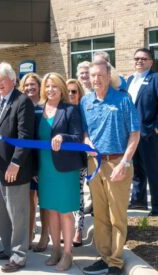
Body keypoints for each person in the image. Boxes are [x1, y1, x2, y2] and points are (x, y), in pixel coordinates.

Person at [80, 60, 140, 275]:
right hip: (94, 164)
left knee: (117, 216)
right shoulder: (86, 102)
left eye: (100, 75)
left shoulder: (123, 99)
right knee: (100, 216)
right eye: (92, 75)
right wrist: (86, 141)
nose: (96, 79)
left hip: (117, 163)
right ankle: (104, 257)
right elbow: (85, 131)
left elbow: (135, 134)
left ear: (109, 76)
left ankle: (115, 262)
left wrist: (124, 162)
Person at [0, 62, 35, 273]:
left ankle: (19, 256)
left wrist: (16, 163)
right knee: (2, 212)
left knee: (18, 214)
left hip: (15, 168)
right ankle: (8, 249)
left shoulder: (22, 101)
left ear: (13, 80)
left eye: (2, 80)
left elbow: (25, 137)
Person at [36, 73, 84, 271]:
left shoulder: (70, 109)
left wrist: (62, 137)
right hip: (45, 168)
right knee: (51, 210)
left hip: (64, 169)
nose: (50, 90)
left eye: (54, 86)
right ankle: (55, 249)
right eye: (47, 86)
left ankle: (67, 253)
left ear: (62, 88)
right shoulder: (38, 110)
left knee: (64, 211)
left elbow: (77, 136)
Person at [18, 72, 49, 253]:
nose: (30, 88)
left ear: (39, 86)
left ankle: (45, 236)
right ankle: (29, 235)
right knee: (29, 199)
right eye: (26, 85)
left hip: (44, 157)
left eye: (33, 84)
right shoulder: (22, 105)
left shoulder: (46, 106)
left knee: (44, 199)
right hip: (27, 158)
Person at [127, 48, 158, 216]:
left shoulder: (155, 79)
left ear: (151, 62)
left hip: (149, 134)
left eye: (144, 59)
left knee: (153, 170)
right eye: (137, 58)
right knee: (137, 169)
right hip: (132, 134)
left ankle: (157, 207)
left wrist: (155, 127)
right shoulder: (130, 79)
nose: (139, 61)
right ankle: (138, 201)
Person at [66, 78, 87, 247]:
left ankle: (79, 230)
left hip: (83, 159)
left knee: (79, 195)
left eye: (74, 91)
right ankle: (70, 229)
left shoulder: (84, 110)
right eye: (68, 91)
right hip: (65, 159)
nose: (71, 94)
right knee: (70, 194)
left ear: (79, 93)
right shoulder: (62, 110)